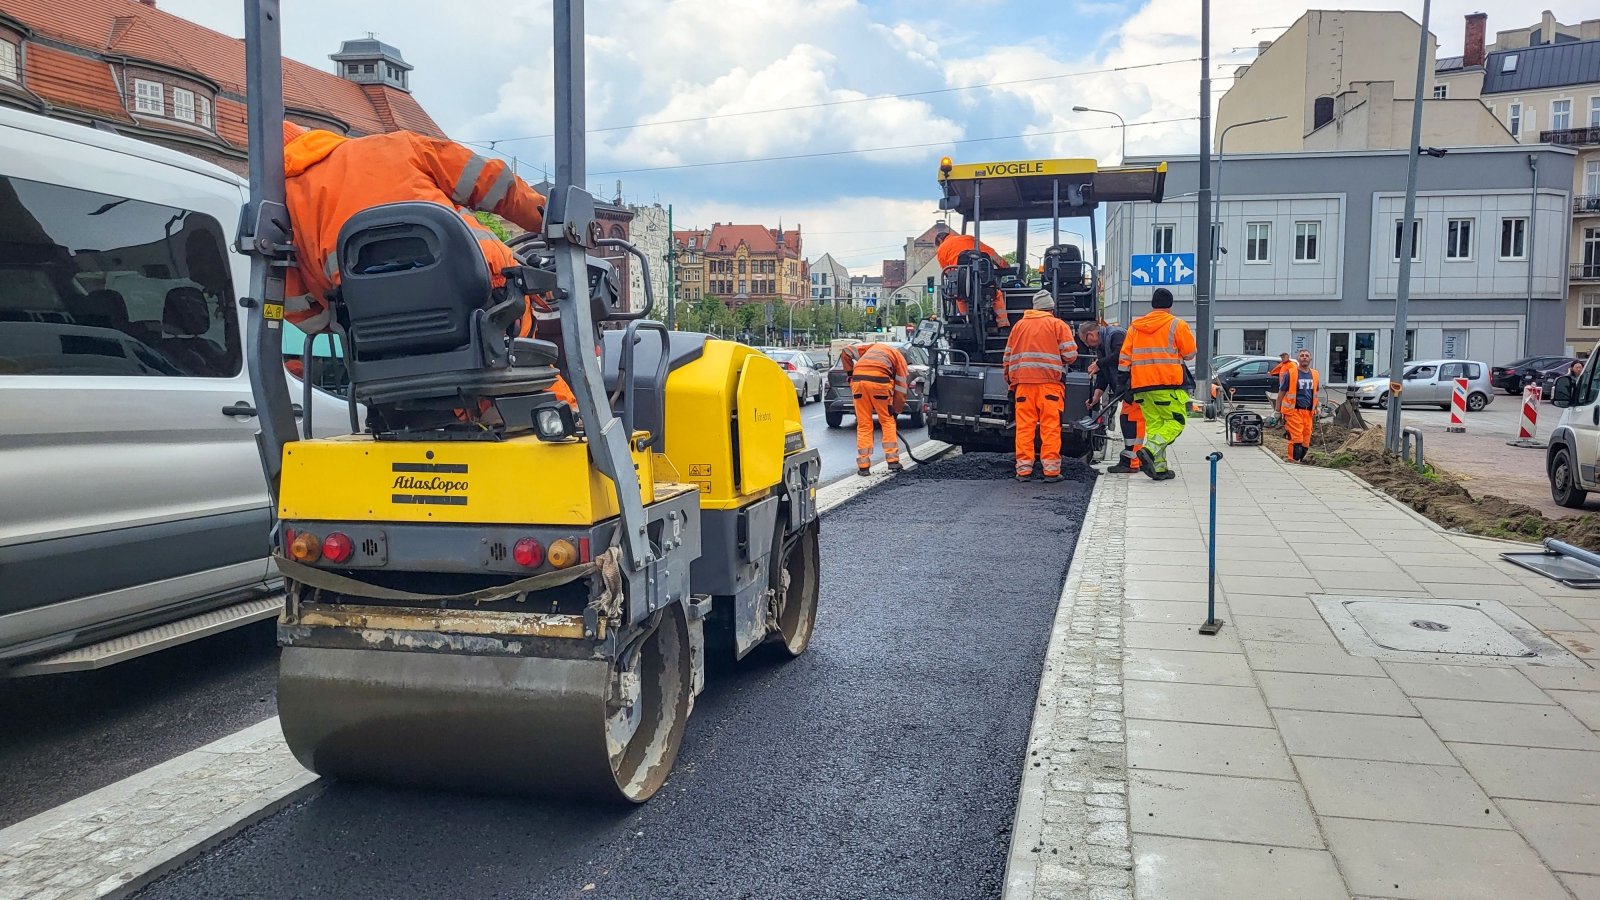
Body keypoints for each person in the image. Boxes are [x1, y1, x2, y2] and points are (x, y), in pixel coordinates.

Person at [278, 123, 577, 408]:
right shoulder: (393, 145)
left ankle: (451, 415)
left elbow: (303, 313)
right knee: (524, 358)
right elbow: (490, 181)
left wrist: (351, 319)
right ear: (315, 137)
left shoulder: (281, 206)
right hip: (486, 294)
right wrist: (551, 221)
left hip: (377, 334)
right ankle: (572, 424)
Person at [1117, 287, 1196, 481]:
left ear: (1152, 305)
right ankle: (1149, 451)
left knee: (1156, 425)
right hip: (1167, 385)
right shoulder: (1176, 324)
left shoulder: (1135, 326)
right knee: (1176, 422)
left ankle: (1159, 469)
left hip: (1141, 388)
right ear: (1170, 305)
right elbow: (1190, 353)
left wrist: (1123, 383)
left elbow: (1124, 358)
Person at [1003, 291, 1079, 481]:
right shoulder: (1057, 325)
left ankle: (1023, 470)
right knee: (1050, 427)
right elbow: (1070, 355)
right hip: (1049, 386)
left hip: (1023, 386)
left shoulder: (1018, 326)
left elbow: (1007, 358)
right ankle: (1051, 471)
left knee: (1024, 428)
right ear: (1051, 308)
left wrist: (1011, 382)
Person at [1080, 319, 1144, 474]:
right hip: (1126, 388)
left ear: (1092, 334)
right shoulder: (1101, 346)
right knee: (1127, 421)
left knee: (1131, 422)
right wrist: (1097, 394)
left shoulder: (1116, 335)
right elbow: (1104, 374)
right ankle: (1132, 459)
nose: (1088, 346)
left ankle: (1133, 461)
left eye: (1086, 341)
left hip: (1134, 386)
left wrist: (1100, 363)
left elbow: (1121, 355)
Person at [840, 341, 910, 476]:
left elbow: (846, 351)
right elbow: (901, 389)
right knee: (887, 421)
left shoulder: (871, 347)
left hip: (858, 382)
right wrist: (895, 410)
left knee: (864, 424)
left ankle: (863, 466)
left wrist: (850, 373)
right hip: (880, 383)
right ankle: (893, 462)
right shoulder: (899, 358)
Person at [934, 231, 1010, 327]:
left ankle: (967, 321)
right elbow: (992, 254)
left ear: (940, 240)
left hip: (962, 286)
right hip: (983, 282)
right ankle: (1003, 324)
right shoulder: (969, 239)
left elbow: (947, 273)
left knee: (959, 298)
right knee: (996, 295)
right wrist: (1005, 266)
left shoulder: (941, 249)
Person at [1279, 348, 1321, 463]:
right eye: (1302, 355)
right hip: (1293, 411)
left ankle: (1300, 460)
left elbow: (1315, 393)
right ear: (1298, 359)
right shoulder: (1291, 373)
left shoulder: (1315, 374)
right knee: (1296, 438)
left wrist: (1317, 407)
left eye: (1307, 355)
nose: (1304, 357)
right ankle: (1292, 460)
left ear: (1310, 359)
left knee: (1306, 439)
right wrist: (1277, 411)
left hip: (1308, 413)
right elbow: (1281, 392)